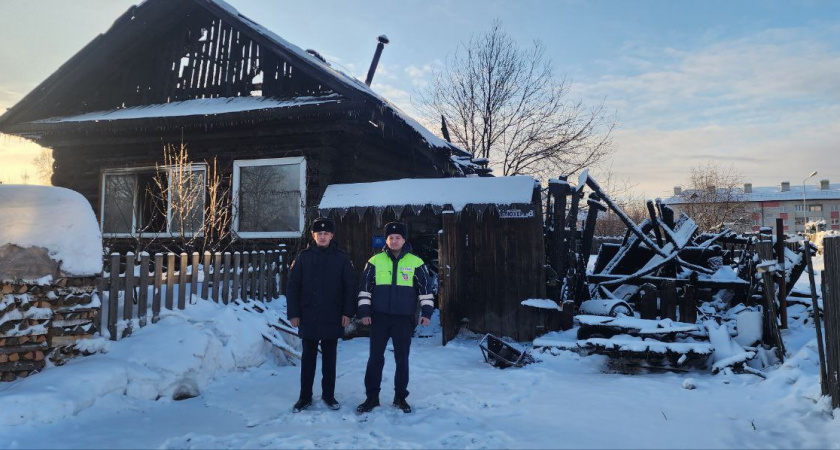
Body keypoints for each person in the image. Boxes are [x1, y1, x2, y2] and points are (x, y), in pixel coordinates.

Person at [356, 221, 434, 414]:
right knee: (375, 359)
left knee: (402, 360)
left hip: (403, 319)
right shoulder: (375, 261)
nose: (394, 240)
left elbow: (425, 291)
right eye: (391, 237)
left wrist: (426, 313)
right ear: (386, 239)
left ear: (404, 239)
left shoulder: (417, 263)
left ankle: (400, 398)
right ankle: (371, 398)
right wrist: (364, 312)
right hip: (379, 318)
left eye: (398, 237)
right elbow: (365, 290)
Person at [286, 217, 355, 413]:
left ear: (332, 235)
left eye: (326, 233)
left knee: (329, 360)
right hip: (308, 316)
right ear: (313, 235)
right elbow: (293, 287)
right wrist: (294, 314)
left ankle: (328, 395)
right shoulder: (303, 257)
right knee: (308, 360)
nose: (323, 236)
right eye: (319, 233)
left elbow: (350, 287)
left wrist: (348, 313)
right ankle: (304, 397)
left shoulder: (341, 258)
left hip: (332, 316)